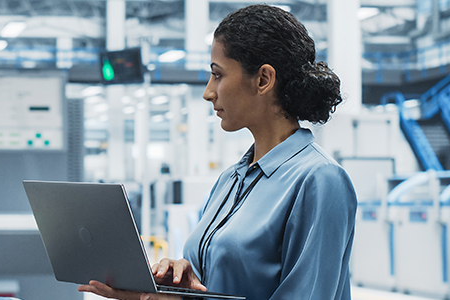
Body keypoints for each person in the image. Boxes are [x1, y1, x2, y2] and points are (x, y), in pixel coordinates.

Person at [79, 4, 356, 300]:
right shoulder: (231, 179)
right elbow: (216, 289)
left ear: (263, 79)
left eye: (218, 75)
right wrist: (167, 287)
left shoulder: (320, 180)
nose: (208, 92)